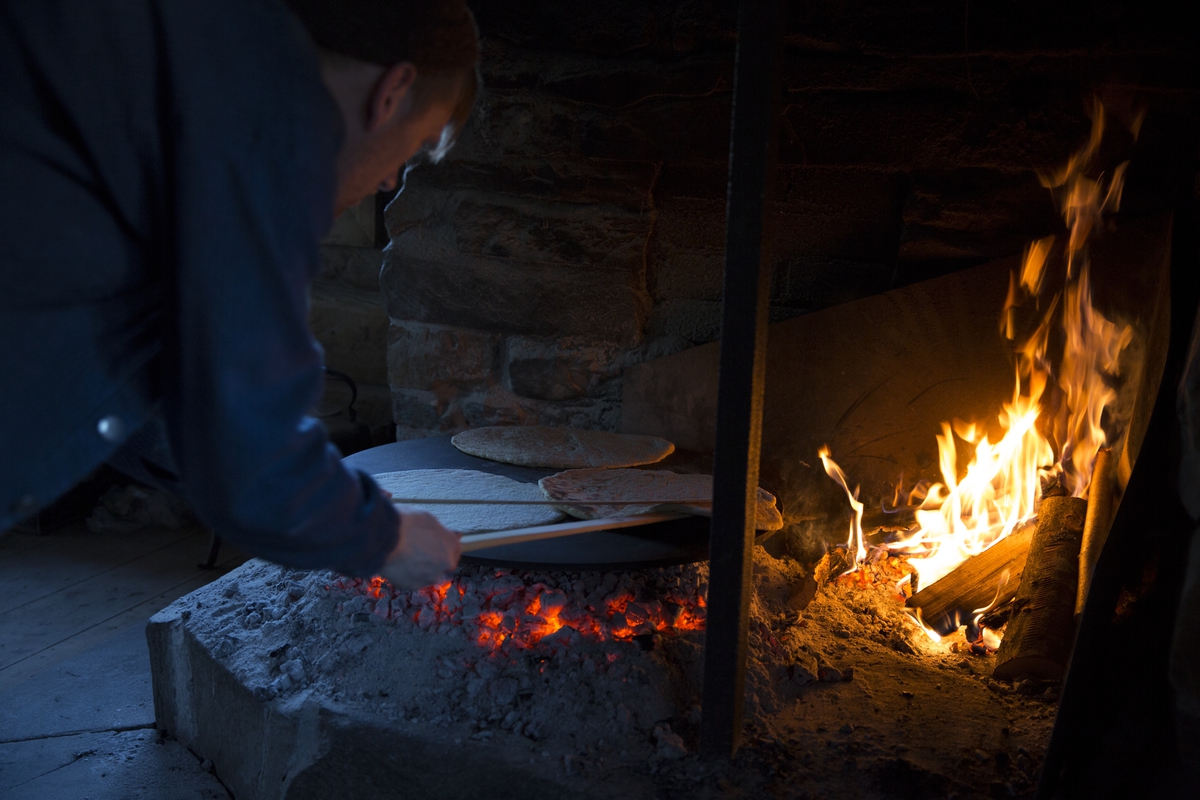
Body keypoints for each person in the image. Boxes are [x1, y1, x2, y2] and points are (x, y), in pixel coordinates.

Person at [0, 0, 478, 589]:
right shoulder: (273, 113)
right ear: (393, 91)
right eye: (417, 146)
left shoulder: (187, 51)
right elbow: (249, 461)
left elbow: (164, 382)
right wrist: (388, 539)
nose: (388, 180)